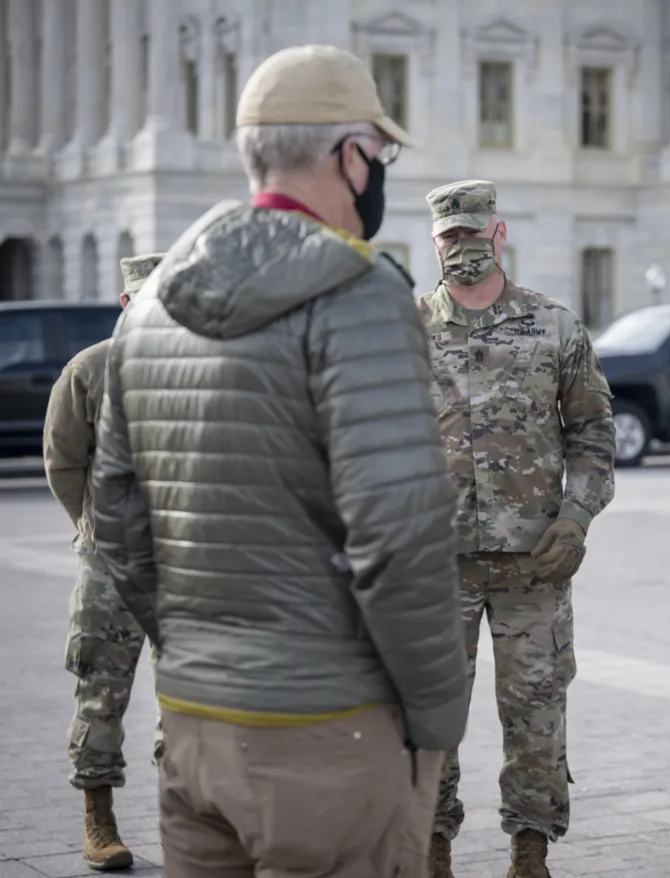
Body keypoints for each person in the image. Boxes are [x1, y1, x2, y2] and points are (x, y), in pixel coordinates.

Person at [89, 44, 468, 878]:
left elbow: (116, 520)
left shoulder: (148, 308)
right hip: (330, 729)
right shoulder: (360, 293)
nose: (380, 172)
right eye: (381, 153)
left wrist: (193, 645)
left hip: (193, 727)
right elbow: (399, 538)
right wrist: (438, 714)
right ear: (350, 154)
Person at [417, 179, 616, 878]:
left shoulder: (554, 327)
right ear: (434, 241)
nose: (465, 247)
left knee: (535, 715)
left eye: (476, 234)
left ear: (499, 235)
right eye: (451, 237)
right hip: (432, 565)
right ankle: (431, 848)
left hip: (534, 562)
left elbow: (593, 436)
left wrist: (575, 518)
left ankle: (529, 854)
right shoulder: (406, 333)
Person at [43, 254, 166, 872]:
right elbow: (63, 462)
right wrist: (93, 531)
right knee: (101, 693)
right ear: (126, 303)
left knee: (194, 700)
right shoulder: (88, 370)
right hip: (111, 568)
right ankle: (99, 819)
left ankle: (190, 815)